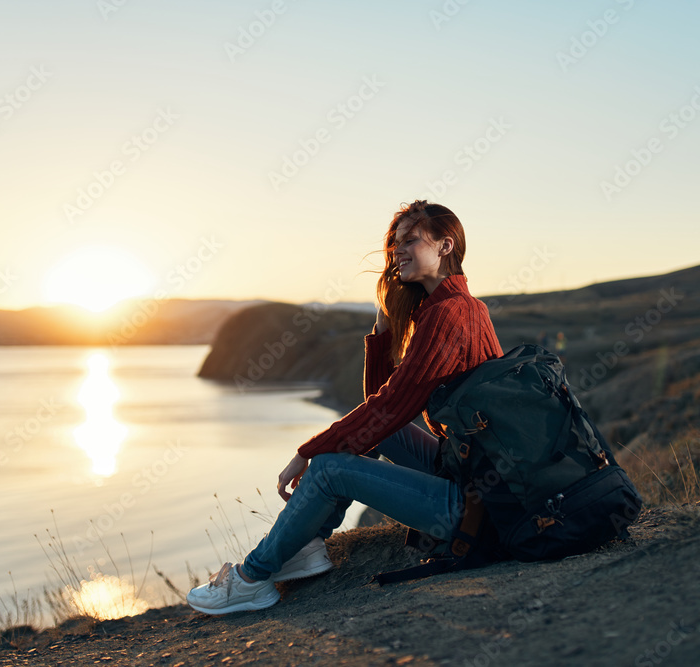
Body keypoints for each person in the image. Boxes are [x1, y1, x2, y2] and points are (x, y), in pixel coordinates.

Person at [186, 200, 503, 615]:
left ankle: (251, 577)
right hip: (469, 475)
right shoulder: (458, 308)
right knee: (362, 436)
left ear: (446, 246)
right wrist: (385, 325)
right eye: (394, 244)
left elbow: (389, 407)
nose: (397, 252)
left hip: (479, 509)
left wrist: (307, 452)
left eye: (410, 240)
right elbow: (380, 407)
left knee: (330, 468)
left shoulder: (450, 315)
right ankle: (308, 545)